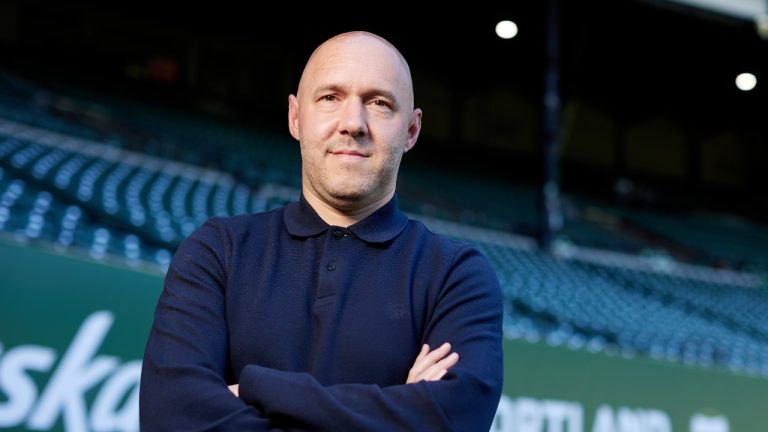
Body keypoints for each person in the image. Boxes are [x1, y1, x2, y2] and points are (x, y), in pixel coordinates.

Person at [139, 31, 503, 431]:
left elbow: (454, 420)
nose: (353, 123)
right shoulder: (218, 250)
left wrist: (256, 388)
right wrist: (400, 409)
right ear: (296, 117)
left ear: (412, 131)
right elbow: (169, 416)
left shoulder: (456, 274)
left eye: (379, 103)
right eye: (330, 98)